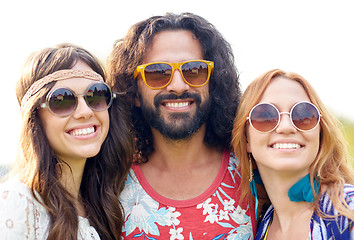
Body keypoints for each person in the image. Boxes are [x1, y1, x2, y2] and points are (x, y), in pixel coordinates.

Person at [107, 12, 256, 239]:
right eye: (158, 73)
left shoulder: (253, 171)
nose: (178, 86)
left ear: (213, 84)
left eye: (194, 71)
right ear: (134, 92)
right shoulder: (108, 180)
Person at [0, 43, 133, 240]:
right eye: (62, 100)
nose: (85, 112)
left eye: (95, 95)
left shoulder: (105, 204)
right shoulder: (18, 202)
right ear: (34, 117)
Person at [232, 69, 354, 239]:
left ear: (320, 134)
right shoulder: (257, 228)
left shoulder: (352, 208)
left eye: (303, 114)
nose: (286, 127)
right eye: (265, 116)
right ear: (246, 139)